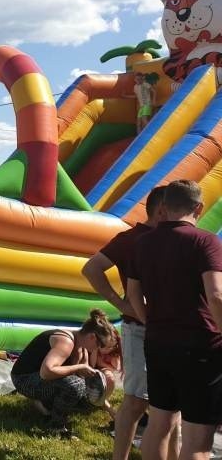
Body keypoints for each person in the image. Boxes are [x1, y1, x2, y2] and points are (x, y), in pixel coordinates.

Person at [127, 180, 222, 460]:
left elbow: (133, 293)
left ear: (164, 207)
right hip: (201, 347)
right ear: (199, 208)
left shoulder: (142, 242)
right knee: (198, 441)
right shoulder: (205, 240)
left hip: (157, 343)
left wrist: (149, 321)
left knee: (159, 424)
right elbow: (215, 295)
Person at [82, 186, 178, 460]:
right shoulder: (132, 239)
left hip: (173, 331)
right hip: (141, 331)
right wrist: (123, 305)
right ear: (162, 210)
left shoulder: (175, 239)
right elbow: (91, 268)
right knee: (136, 400)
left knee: (173, 405)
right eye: (178, 210)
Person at [11, 308, 118, 437]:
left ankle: (43, 404)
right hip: (23, 379)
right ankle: (56, 428)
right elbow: (46, 372)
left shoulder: (80, 348)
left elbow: (88, 386)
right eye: (100, 345)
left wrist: (112, 412)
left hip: (39, 379)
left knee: (88, 399)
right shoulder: (66, 342)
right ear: (92, 337)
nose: (99, 349)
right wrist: (78, 368)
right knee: (75, 385)